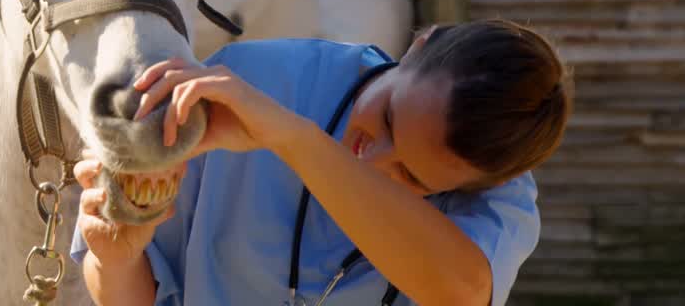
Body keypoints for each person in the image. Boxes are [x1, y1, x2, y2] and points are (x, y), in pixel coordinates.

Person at [74, 19, 573, 305]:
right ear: (418, 44)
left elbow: (460, 292)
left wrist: (293, 138)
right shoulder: (253, 77)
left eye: (411, 177)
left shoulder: (499, 196)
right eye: (389, 121)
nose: (373, 159)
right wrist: (115, 258)